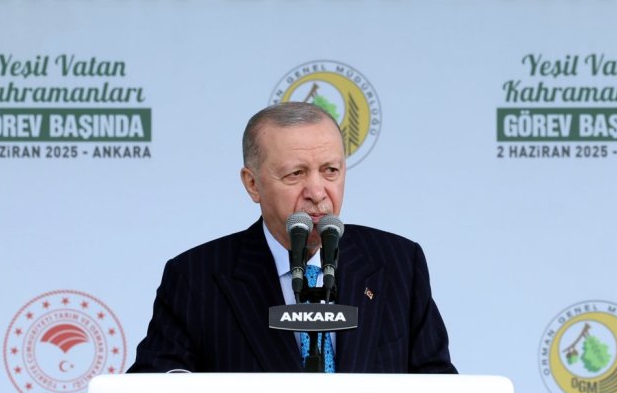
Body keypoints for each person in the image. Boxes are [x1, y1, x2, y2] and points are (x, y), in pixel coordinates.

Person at [128, 101, 455, 373]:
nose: (316, 191)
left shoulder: (398, 263)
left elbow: (438, 384)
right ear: (252, 184)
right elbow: (153, 390)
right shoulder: (195, 277)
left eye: (330, 170)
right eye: (295, 173)